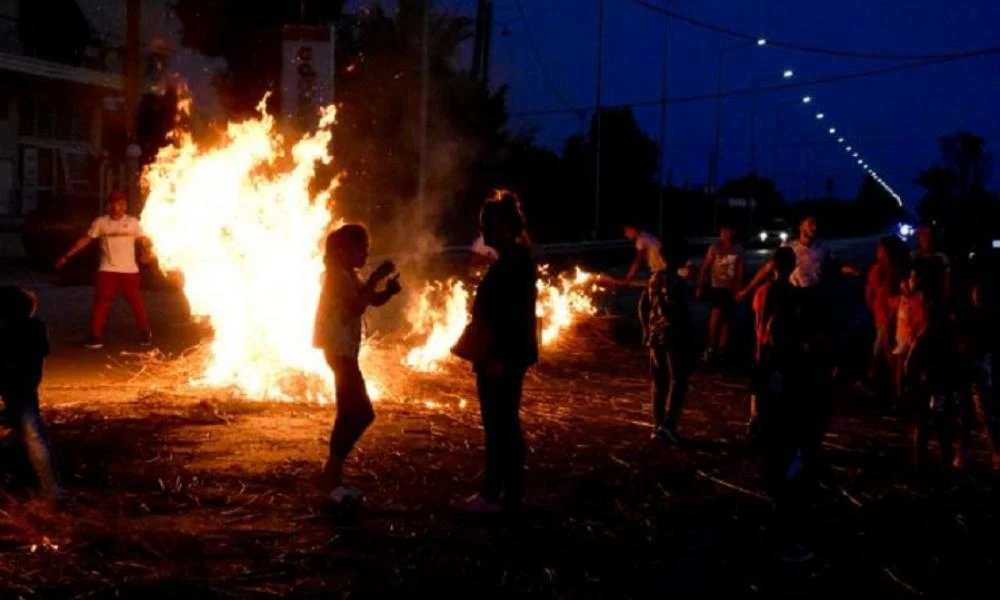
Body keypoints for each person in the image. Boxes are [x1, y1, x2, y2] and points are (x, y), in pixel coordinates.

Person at [452, 191, 538, 513]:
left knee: (499, 424)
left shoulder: (513, 264)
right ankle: (510, 491)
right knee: (504, 423)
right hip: (503, 354)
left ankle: (492, 495)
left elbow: (509, 316)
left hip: (501, 357)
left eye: (487, 224)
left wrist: (496, 357)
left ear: (503, 225)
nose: (483, 232)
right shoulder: (513, 260)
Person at [313, 224, 402, 504]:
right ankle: (331, 473)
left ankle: (331, 472)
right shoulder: (335, 278)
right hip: (339, 352)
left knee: (351, 411)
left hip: (344, 353)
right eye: (360, 249)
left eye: (367, 250)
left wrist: (386, 291)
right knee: (359, 412)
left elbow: (368, 299)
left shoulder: (347, 276)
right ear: (342, 250)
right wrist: (375, 277)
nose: (365, 255)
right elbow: (355, 306)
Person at [753, 247, 816, 562]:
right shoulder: (784, 296)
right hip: (782, 426)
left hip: (777, 424)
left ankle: (778, 531)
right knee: (785, 481)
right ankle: (783, 539)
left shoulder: (775, 364)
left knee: (781, 478)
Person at [55, 190, 155, 349]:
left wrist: (149, 254)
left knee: (137, 303)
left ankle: (145, 333)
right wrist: (66, 256)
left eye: (123, 204)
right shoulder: (100, 223)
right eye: (117, 204)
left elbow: (145, 241)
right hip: (107, 270)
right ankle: (95, 338)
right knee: (101, 303)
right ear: (110, 205)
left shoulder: (133, 223)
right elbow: (85, 240)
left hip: (130, 271)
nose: (120, 207)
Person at [0, 285, 61, 503]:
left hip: (17, 384)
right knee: (32, 435)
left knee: (31, 434)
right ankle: (51, 490)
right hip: (26, 385)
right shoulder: (36, 328)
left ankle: (51, 491)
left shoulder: (14, 332)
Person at [901, 265, 956, 471]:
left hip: (934, 377)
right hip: (926, 375)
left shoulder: (935, 316)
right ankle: (922, 460)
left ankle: (940, 462)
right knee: (924, 419)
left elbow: (934, 344)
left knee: (936, 419)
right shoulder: (924, 311)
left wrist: (927, 370)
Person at [646, 248, 696, 444]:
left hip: (655, 335)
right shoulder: (678, 283)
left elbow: (645, 305)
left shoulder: (654, 278)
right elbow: (678, 312)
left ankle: (657, 425)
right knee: (679, 379)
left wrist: (646, 330)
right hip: (673, 336)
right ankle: (668, 425)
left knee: (659, 381)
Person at [954, 280, 1000, 470]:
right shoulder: (970, 318)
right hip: (970, 369)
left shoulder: (988, 319)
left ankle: (994, 452)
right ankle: (966, 453)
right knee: (970, 414)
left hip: (980, 367)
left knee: (986, 413)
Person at [865, 236, 909, 394]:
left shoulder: (895, 271)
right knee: (884, 350)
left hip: (891, 316)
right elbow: (870, 291)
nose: (878, 252)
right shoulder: (878, 269)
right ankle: (889, 387)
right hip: (882, 315)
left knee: (887, 351)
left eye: (881, 249)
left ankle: (891, 387)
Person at [696, 224, 744, 364]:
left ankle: (723, 349)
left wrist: (739, 289)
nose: (724, 233)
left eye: (727, 230)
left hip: (731, 288)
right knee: (716, 315)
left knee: (727, 319)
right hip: (717, 287)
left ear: (733, 232)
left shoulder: (738, 249)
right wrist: (700, 286)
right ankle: (712, 346)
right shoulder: (715, 248)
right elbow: (705, 267)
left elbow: (740, 270)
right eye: (722, 231)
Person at [619, 222, 667, 287]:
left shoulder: (640, 240)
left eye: (626, 231)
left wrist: (627, 279)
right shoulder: (648, 236)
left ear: (632, 229)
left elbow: (637, 261)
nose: (625, 235)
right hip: (666, 271)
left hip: (660, 272)